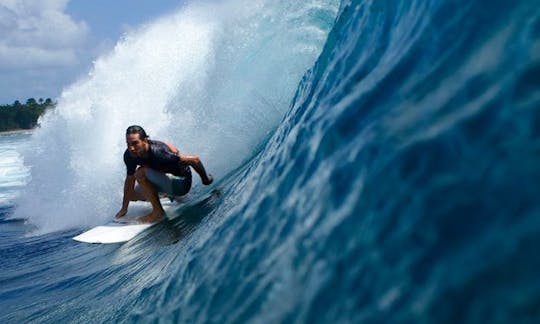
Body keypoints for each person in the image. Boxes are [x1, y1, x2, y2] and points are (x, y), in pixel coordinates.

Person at [115, 125, 213, 223]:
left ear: (145, 140)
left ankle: (158, 212)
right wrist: (124, 208)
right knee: (130, 194)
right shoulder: (130, 155)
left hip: (181, 184)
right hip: (165, 181)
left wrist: (206, 180)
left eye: (135, 143)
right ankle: (166, 195)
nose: (131, 148)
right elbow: (130, 180)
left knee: (140, 173)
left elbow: (194, 160)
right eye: (128, 144)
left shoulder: (159, 153)